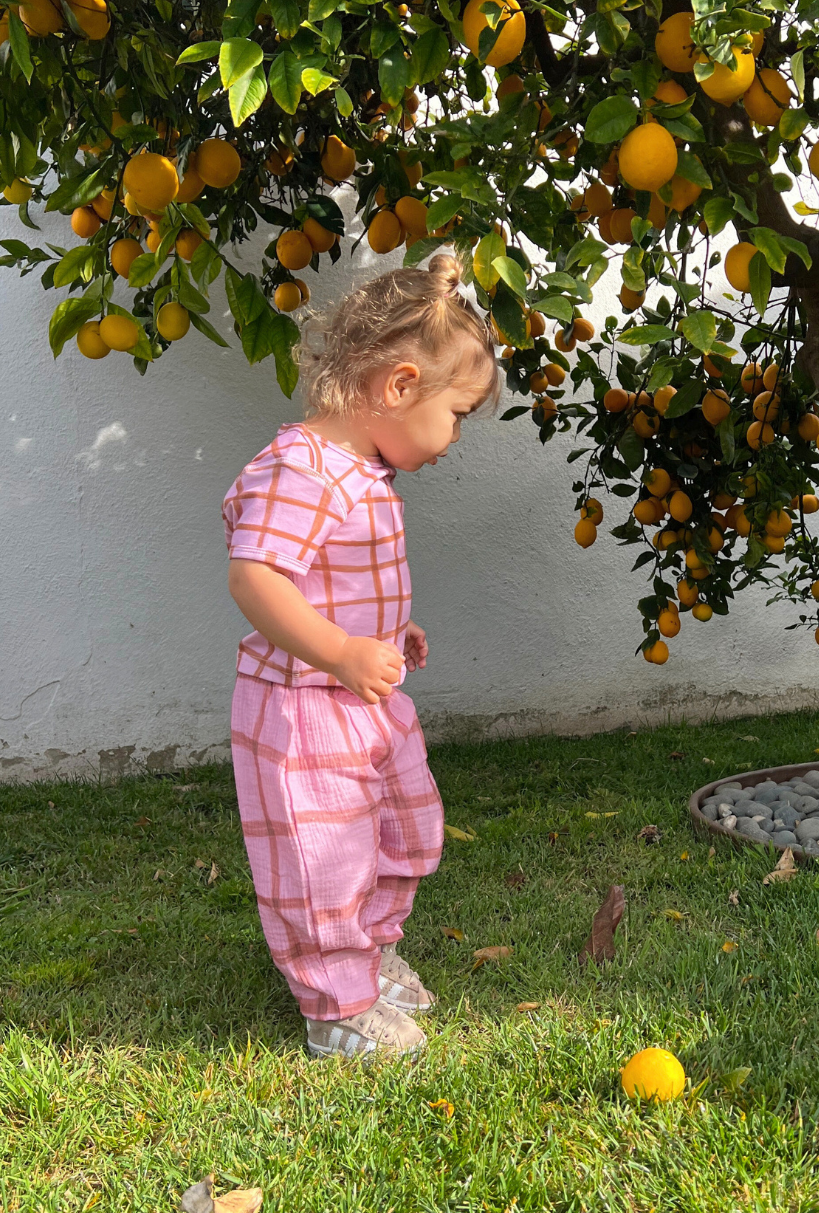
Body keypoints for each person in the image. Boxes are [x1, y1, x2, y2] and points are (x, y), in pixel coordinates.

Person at [222, 252, 499, 1059]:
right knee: (325, 858)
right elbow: (256, 576)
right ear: (400, 386)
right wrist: (340, 649)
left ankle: (368, 956)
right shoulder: (299, 470)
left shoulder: (361, 471)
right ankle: (334, 1004)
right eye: (457, 414)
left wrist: (385, 628)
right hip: (307, 709)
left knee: (402, 832)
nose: (454, 439)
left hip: (364, 698)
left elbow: (331, 575)